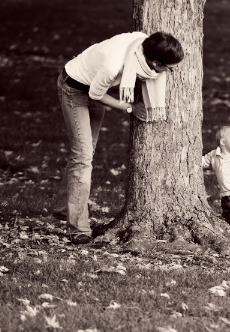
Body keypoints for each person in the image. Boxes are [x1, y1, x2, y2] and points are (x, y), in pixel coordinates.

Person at [55, 31, 184, 244]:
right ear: (155, 62)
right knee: (83, 157)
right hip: (75, 89)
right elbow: (95, 95)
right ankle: (78, 227)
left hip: (95, 83)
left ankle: (64, 207)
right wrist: (130, 108)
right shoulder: (114, 65)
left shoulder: (142, 44)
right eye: (169, 68)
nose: (171, 72)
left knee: (85, 153)